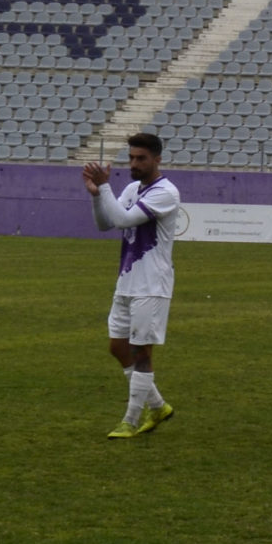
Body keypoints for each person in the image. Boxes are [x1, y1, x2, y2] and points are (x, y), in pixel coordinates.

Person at [84, 132, 183, 439]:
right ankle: (158, 406)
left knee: (142, 352)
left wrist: (104, 187)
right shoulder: (130, 189)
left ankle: (131, 419)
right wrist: (98, 195)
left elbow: (126, 221)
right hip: (127, 280)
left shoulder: (166, 192)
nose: (134, 164)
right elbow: (105, 223)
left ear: (157, 159)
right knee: (117, 346)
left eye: (141, 158)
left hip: (152, 284)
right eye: (131, 158)